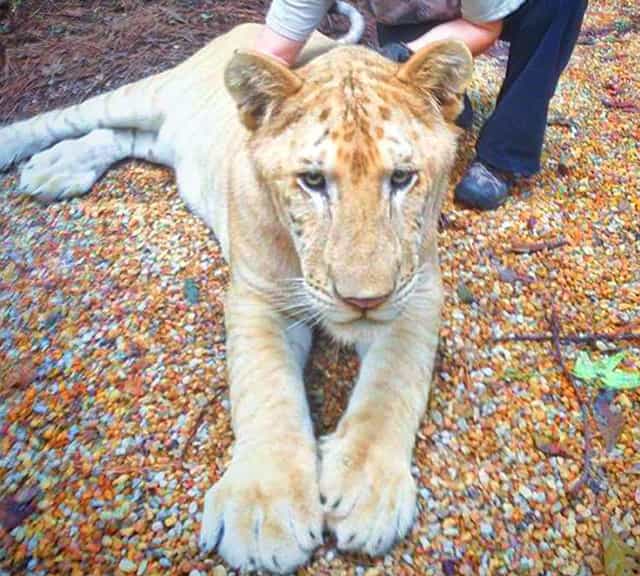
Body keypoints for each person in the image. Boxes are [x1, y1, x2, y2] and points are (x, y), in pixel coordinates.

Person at [254, 0, 588, 210]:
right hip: (419, 15)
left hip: (512, 9)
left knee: (556, 7)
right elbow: (274, 52)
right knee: (450, 115)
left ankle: (502, 157)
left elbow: (483, 27)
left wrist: (404, 55)